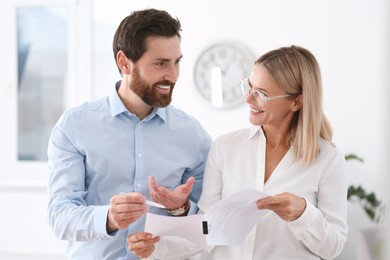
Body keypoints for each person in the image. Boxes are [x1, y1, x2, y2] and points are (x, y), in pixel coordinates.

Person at [127, 45, 348, 259]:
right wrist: (156, 248)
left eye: (261, 94)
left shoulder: (328, 159)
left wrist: (303, 214)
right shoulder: (226, 147)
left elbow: (333, 248)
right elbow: (207, 231)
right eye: (249, 86)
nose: (248, 99)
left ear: (296, 102)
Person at [47, 8, 212, 260]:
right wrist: (109, 218)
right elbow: (59, 216)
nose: (173, 75)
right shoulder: (75, 126)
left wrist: (181, 208)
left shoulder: (193, 135)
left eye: (176, 61)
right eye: (160, 63)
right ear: (124, 62)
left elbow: (209, 224)